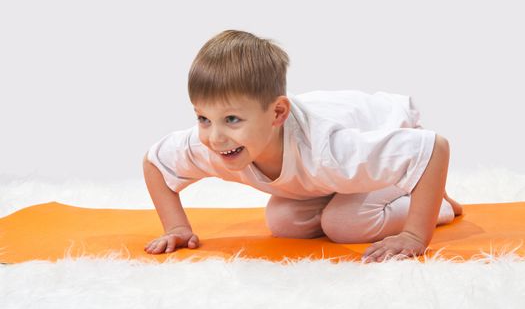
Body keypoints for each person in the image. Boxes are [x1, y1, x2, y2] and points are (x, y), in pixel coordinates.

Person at [143, 30, 463, 263]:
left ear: (278, 113)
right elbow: (155, 163)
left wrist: (414, 235)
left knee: (344, 224)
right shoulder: (214, 144)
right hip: (328, 173)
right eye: (203, 118)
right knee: (284, 222)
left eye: (232, 119)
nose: (215, 137)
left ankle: (441, 204)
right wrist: (177, 227)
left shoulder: (329, 149)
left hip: (387, 131)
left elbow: (433, 148)